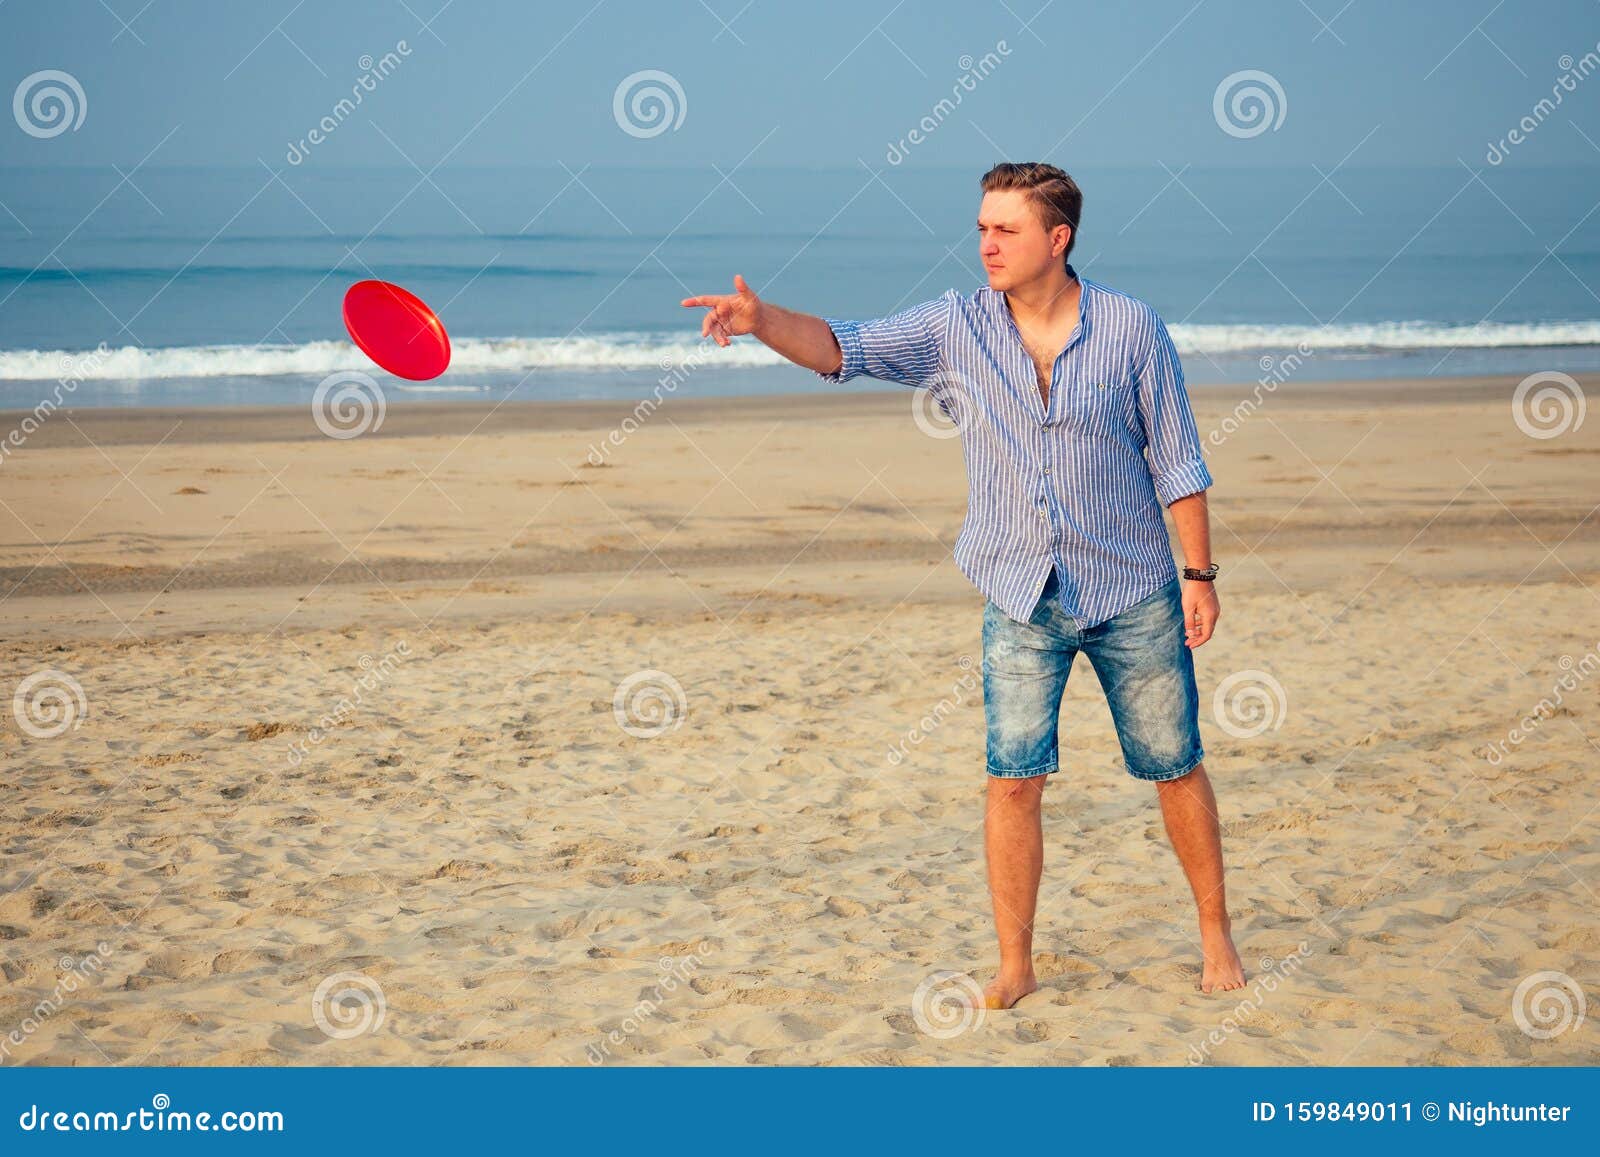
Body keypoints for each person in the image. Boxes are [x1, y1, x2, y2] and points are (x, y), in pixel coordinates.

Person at [681, 161, 1246, 1005]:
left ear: (1058, 239)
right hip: (1020, 592)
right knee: (1012, 778)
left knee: (1174, 765)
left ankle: (1216, 937)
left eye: (1006, 229)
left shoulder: (1132, 329)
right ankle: (1016, 964)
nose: (986, 243)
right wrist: (762, 321)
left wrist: (1198, 574)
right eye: (982, 226)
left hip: (1133, 585)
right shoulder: (955, 327)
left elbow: (1178, 462)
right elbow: (845, 347)